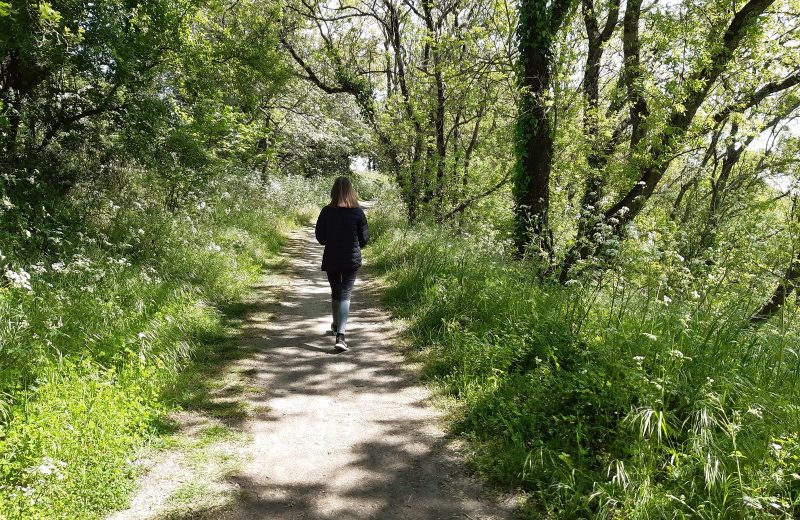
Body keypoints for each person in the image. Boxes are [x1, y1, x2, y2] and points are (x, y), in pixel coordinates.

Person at [315, 176, 369, 352]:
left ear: (333, 191)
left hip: (332, 258)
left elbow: (321, 238)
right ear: (351, 191)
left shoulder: (326, 212)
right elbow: (364, 239)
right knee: (345, 294)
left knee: (336, 292)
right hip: (350, 260)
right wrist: (353, 244)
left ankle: (336, 325)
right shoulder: (358, 212)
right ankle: (341, 336)